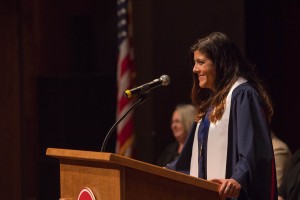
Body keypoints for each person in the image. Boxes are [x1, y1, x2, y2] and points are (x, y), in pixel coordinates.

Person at [165, 32, 277, 199]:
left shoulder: (243, 96)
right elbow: (189, 158)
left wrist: (238, 178)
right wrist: (164, 172)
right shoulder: (210, 105)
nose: (195, 69)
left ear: (220, 63)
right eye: (195, 63)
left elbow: (254, 149)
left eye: (201, 62)